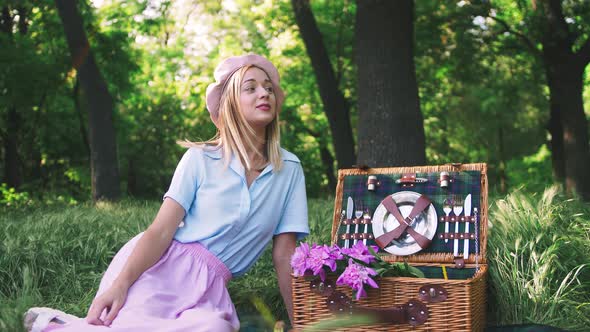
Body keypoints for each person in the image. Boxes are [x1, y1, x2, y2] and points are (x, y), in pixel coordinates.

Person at [24, 54, 309, 332]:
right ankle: (55, 324)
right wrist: (120, 285)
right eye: (251, 88)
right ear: (231, 104)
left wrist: (302, 323)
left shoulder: (289, 170)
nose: (265, 93)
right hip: (159, 270)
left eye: (269, 88)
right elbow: (160, 231)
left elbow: (285, 254)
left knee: (214, 327)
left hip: (211, 290)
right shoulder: (200, 159)